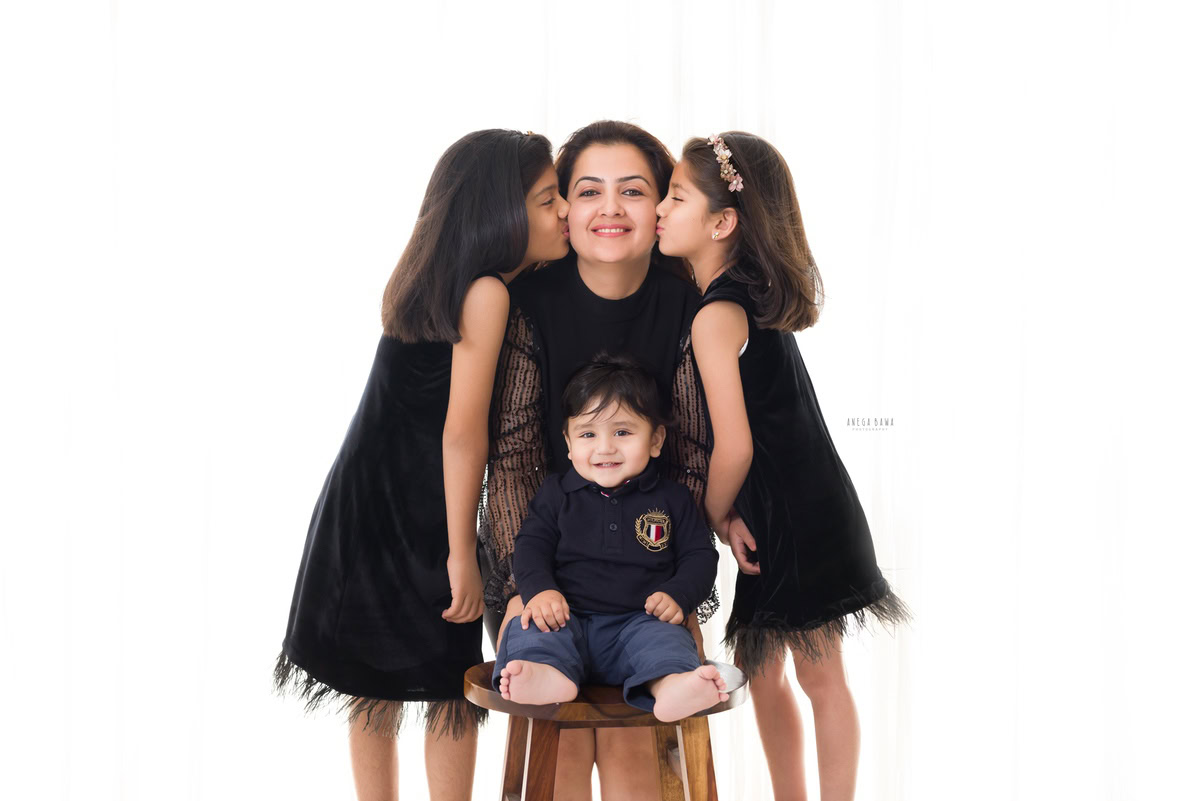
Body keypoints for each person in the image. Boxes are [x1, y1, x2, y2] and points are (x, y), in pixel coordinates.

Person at [273, 129, 570, 801]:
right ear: (501, 211)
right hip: (422, 505)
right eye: (548, 199)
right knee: (448, 681)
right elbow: (462, 434)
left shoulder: (435, 278)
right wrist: (462, 552)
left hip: (363, 501)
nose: (563, 215)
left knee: (377, 686)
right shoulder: (486, 292)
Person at [655, 132, 911, 801]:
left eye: (676, 195)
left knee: (815, 674)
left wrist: (711, 516)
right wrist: (737, 512)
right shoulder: (740, 294)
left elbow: (734, 446)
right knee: (764, 669)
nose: (659, 206)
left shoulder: (718, 313)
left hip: (801, 516)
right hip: (793, 507)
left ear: (723, 221)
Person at [479, 120, 715, 800]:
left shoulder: (685, 303)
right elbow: (516, 453)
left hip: (649, 564)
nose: (610, 209)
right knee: (561, 716)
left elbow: (693, 447)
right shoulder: (530, 304)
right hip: (544, 552)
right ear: (564, 209)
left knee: (633, 723)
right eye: (588, 191)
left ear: (664, 207)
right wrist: (527, 579)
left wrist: (681, 584)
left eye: (633, 191)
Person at [493, 356, 726, 722]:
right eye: (588, 434)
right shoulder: (556, 493)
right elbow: (531, 547)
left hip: (639, 622)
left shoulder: (672, 499)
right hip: (566, 617)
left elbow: (700, 556)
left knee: (667, 640)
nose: (604, 448)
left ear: (656, 440)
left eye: (622, 432)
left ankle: (673, 686)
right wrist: (540, 591)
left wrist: (679, 595)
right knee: (529, 625)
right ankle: (546, 675)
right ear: (568, 444)